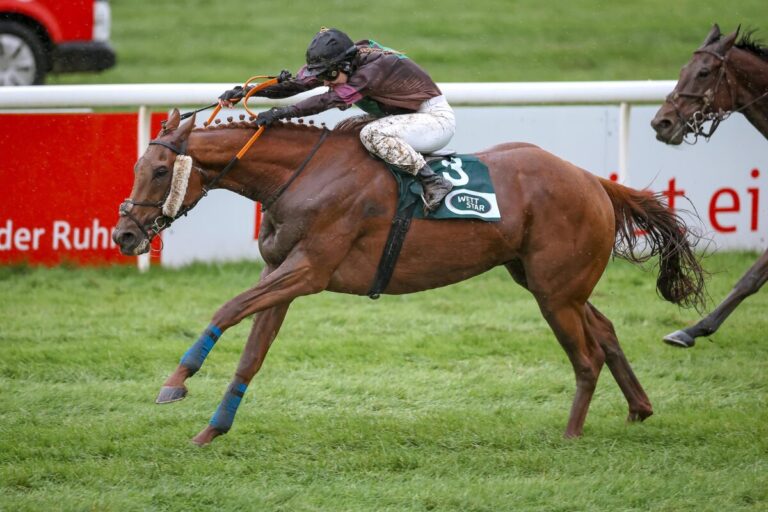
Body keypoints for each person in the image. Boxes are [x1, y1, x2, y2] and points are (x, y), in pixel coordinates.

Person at [218, 28, 455, 212]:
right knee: (344, 129)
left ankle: (433, 181)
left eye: (329, 75)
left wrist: (281, 113)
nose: (325, 81)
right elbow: (298, 85)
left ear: (346, 64)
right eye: (321, 76)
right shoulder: (344, 64)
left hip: (432, 119)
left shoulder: (373, 70)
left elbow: (327, 101)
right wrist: (247, 91)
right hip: (402, 115)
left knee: (371, 134)